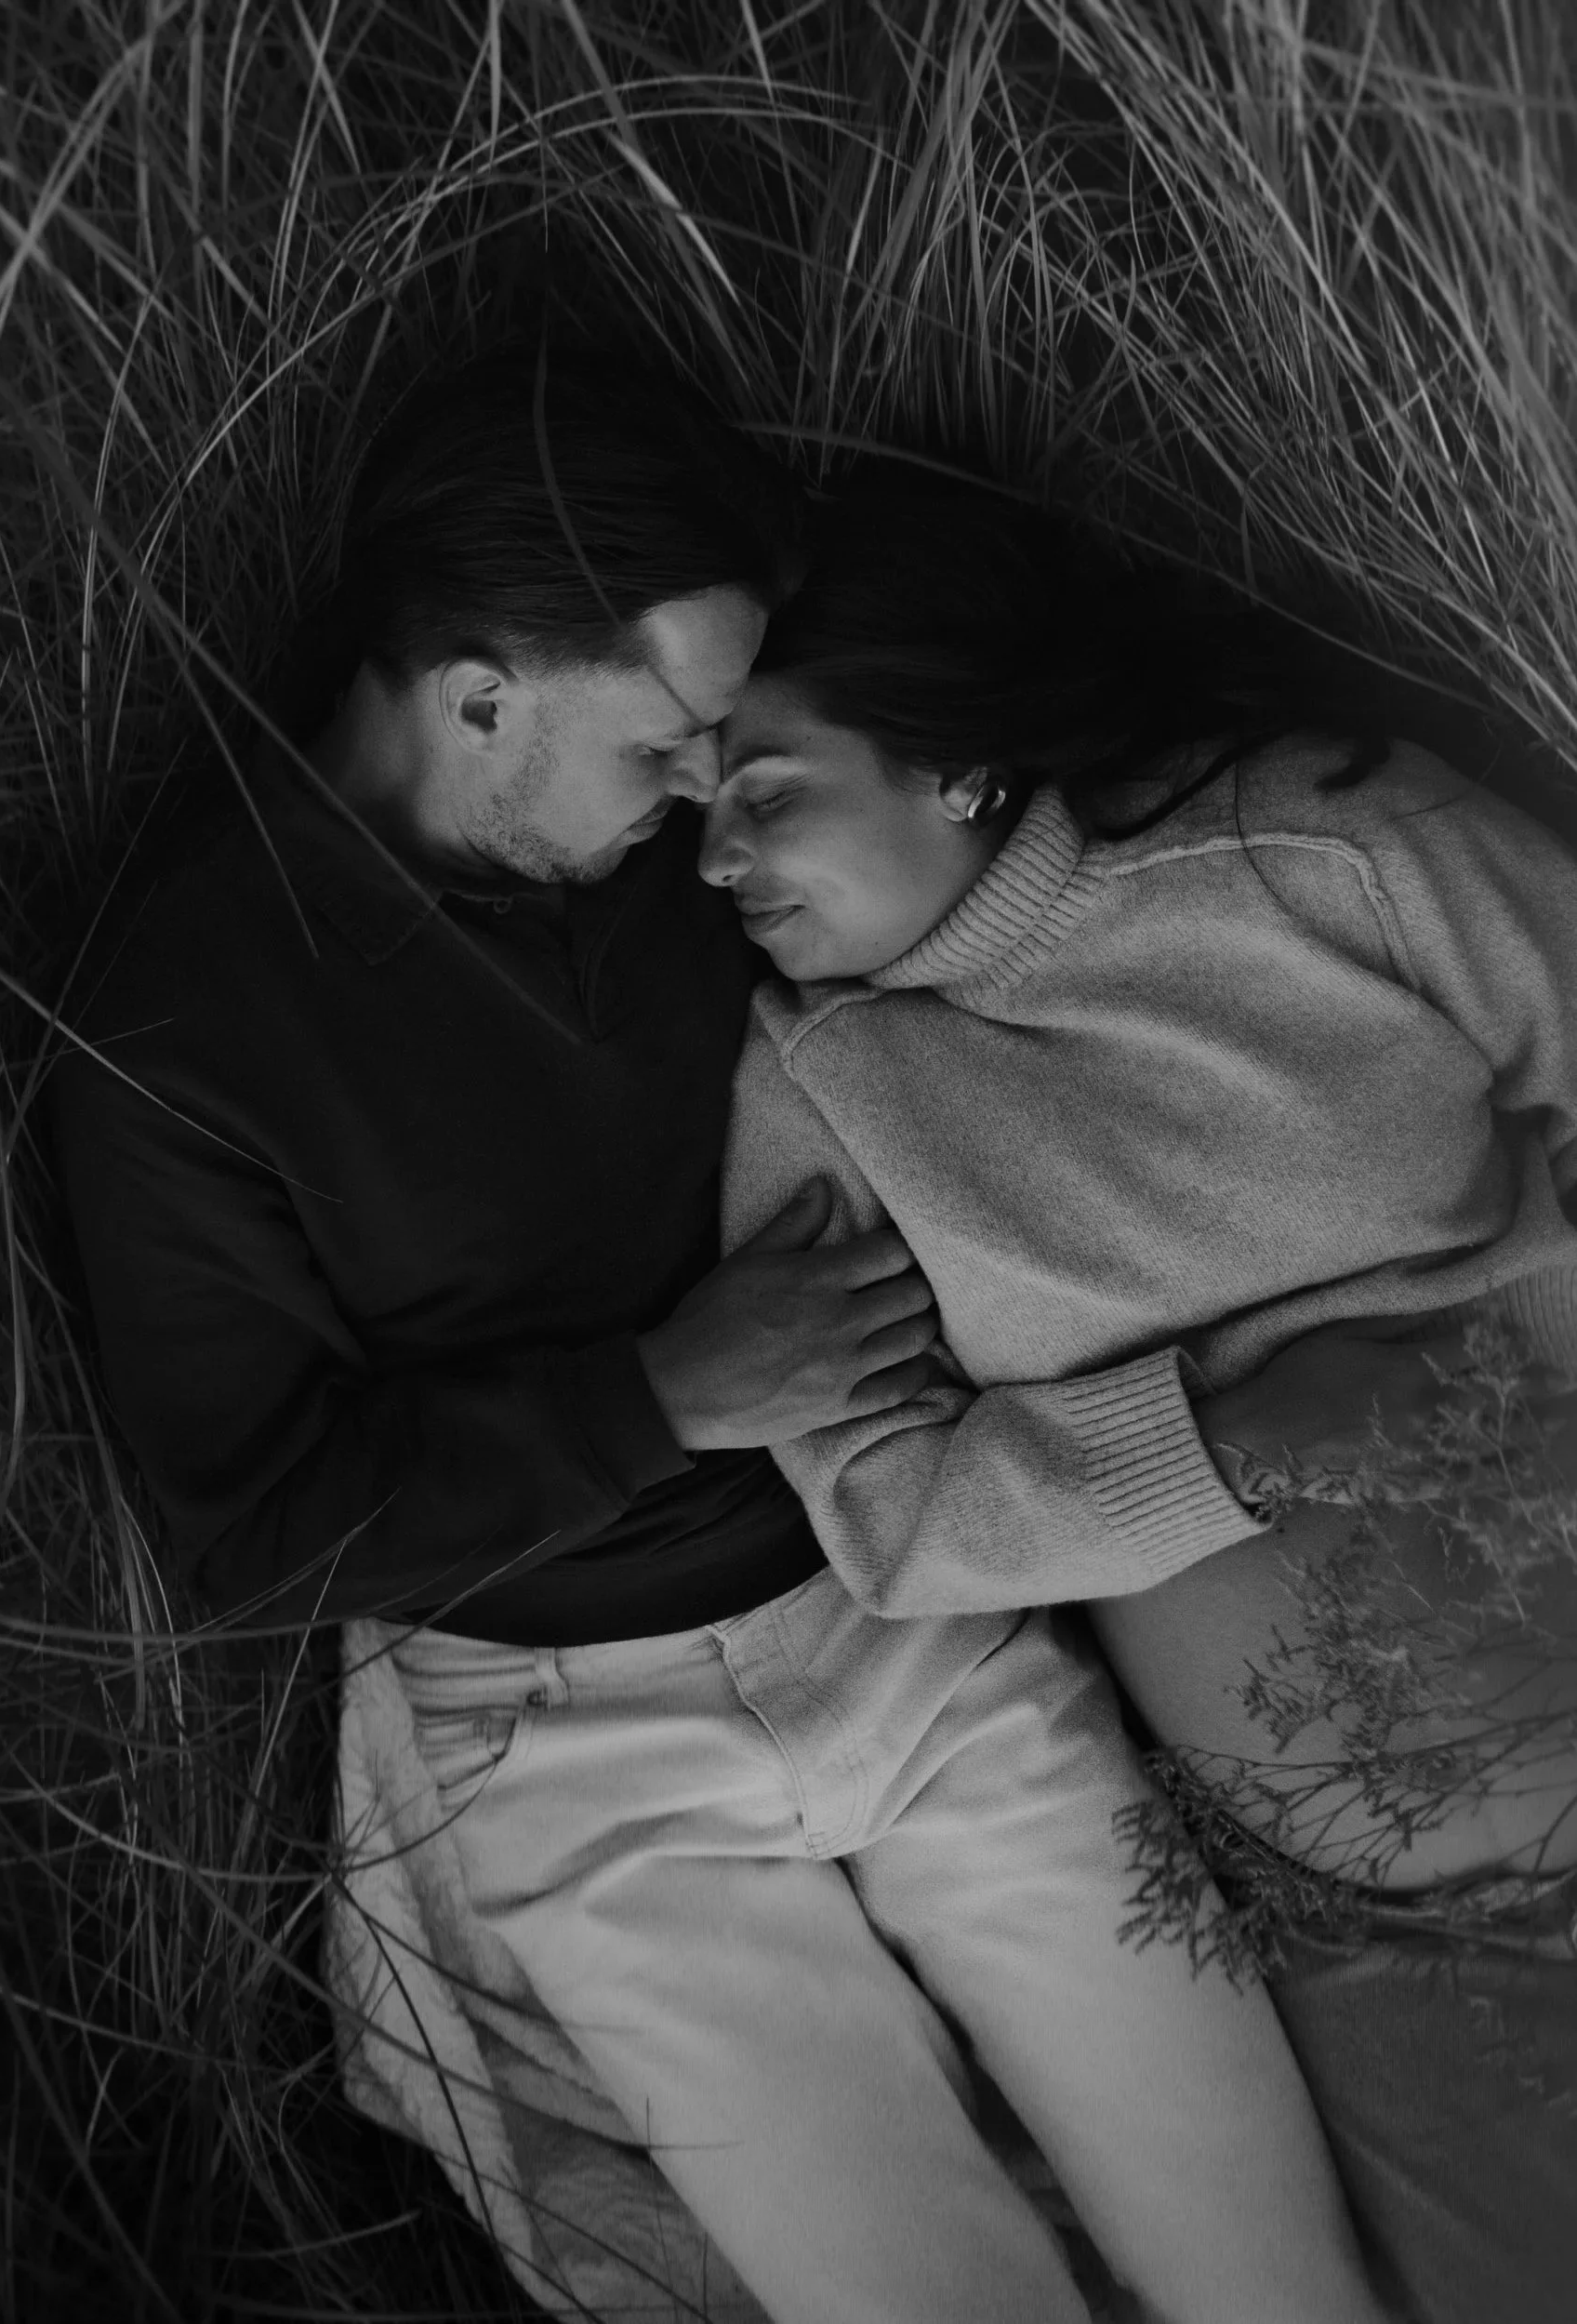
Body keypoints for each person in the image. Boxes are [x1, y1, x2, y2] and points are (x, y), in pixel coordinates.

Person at [49, 350, 1396, 2324]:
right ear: (479, 700)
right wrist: (659, 1393)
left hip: (900, 1607)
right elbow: (251, 1530)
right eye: (671, 737)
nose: (709, 807)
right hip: (580, 1749)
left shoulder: (713, 871)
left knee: (1277, 2273)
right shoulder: (183, 1030)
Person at [707, 472, 1577, 2324]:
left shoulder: (1316, 844)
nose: (713, 861)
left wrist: (1524, 1356)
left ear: (955, 763)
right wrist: (1230, 1445)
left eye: (764, 793)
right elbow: (889, 1512)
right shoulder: (819, 1084)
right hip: (1397, 1937)